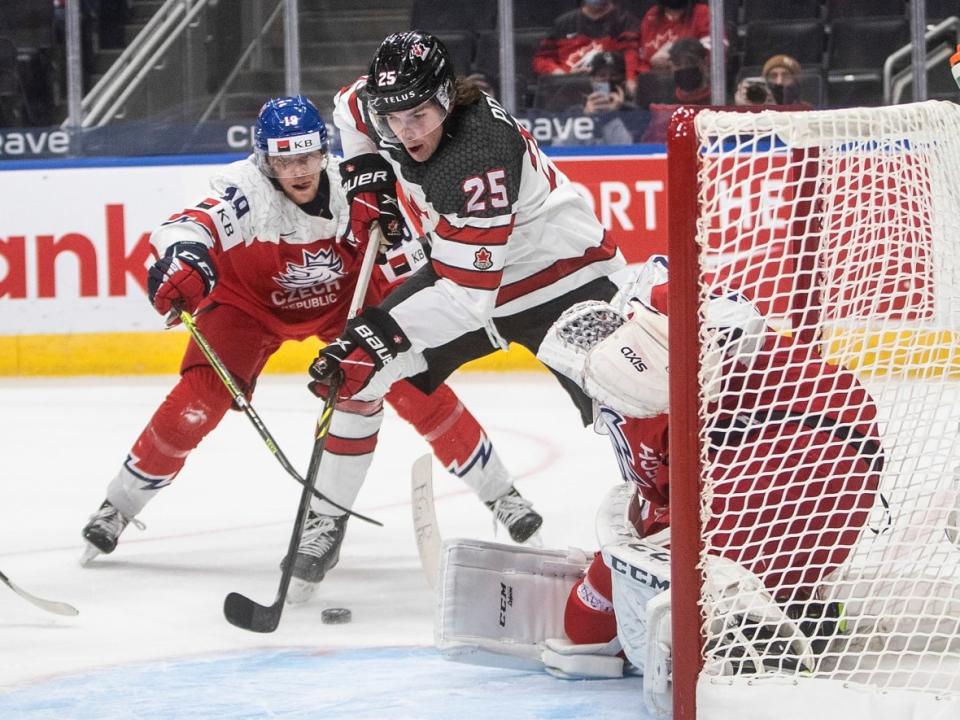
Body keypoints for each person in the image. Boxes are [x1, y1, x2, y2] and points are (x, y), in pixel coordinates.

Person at [80, 95, 545, 600]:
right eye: (284, 159)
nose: (298, 171)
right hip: (248, 306)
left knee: (413, 381)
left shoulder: (357, 185)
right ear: (265, 159)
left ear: (324, 152)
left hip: (344, 299)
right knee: (199, 400)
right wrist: (184, 256)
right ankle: (118, 506)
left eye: (306, 157)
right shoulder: (248, 190)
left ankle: (502, 495)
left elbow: (413, 259)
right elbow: (189, 226)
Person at [302, 30, 626, 580]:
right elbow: (348, 110)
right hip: (466, 265)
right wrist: (367, 176)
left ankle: (676, 521)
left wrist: (378, 339)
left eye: (419, 117)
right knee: (355, 379)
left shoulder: (479, 156)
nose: (405, 133)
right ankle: (325, 522)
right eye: (394, 120)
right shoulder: (382, 106)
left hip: (563, 279)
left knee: (630, 405)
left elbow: (465, 297)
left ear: (448, 99)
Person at [536, 257, 883, 672]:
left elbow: (589, 628)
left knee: (595, 621)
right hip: (850, 467)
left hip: (779, 470)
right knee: (670, 575)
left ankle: (756, 637)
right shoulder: (655, 373)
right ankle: (793, 605)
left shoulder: (645, 377)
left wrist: (603, 583)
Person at [532, 0, 641, 97]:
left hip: (610, 94)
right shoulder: (563, 23)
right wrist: (561, 75)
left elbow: (631, 54)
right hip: (568, 93)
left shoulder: (625, 21)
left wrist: (631, 79)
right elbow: (540, 60)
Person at [637, 0, 714, 75]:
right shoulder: (652, 15)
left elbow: (713, 53)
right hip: (654, 82)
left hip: (690, 81)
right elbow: (641, 61)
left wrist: (674, 55)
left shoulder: (703, 12)